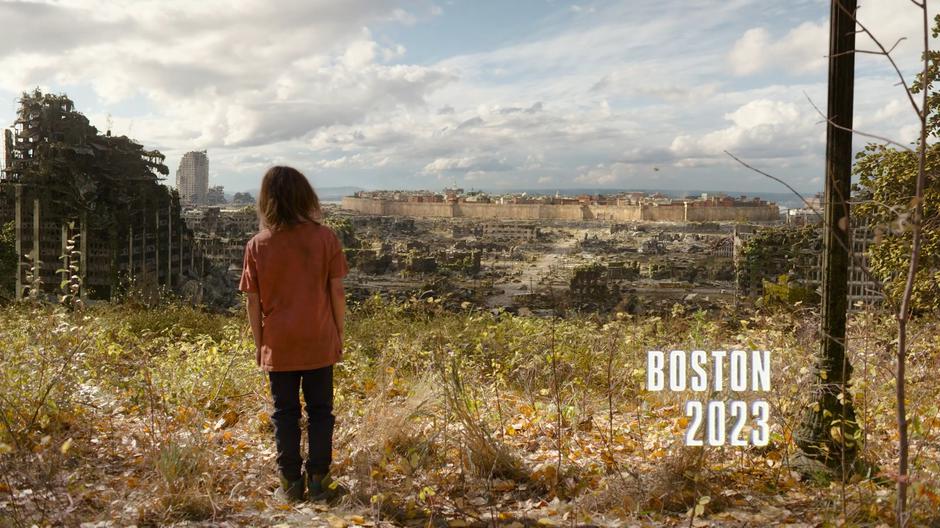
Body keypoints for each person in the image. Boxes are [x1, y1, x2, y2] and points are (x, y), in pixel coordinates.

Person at [238, 166, 349, 502]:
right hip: (318, 338)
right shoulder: (325, 238)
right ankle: (319, 481)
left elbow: (253, 304)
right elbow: (337, 293)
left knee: (284, 413)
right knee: (320, 411)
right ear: (305, 197)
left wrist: (260, 345)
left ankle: (289, 484)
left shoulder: (258, 245)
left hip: (279, 343)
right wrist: (338, 334)